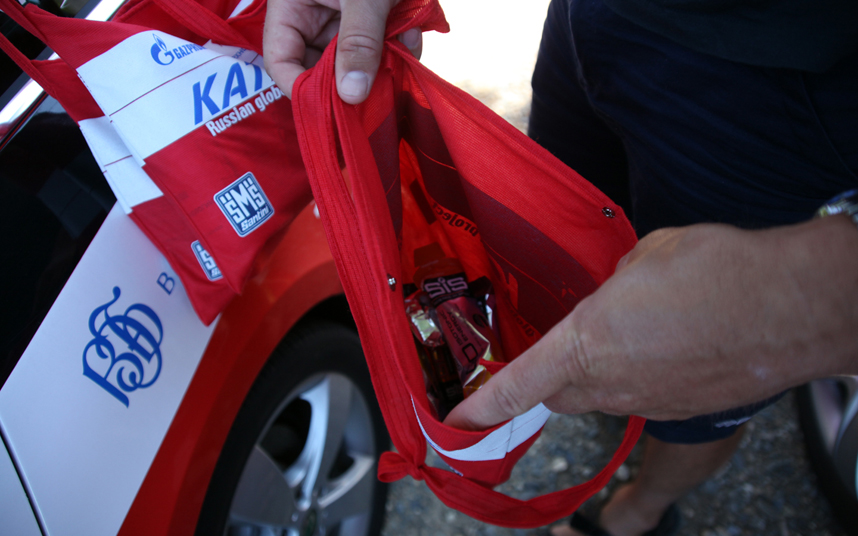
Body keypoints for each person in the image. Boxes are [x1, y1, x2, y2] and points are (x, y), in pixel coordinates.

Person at [263, 1, 858, 535]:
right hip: (591, 22)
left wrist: (802, 305)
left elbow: (750, 333)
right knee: (554, 255)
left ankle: (642, 508)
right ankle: (615, 394)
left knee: (708, 377)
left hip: (786, 91)